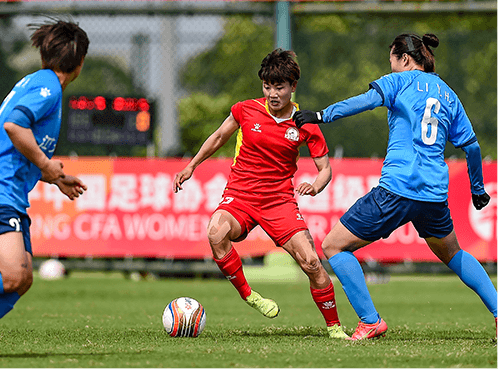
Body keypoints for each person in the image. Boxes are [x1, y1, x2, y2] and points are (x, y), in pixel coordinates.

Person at [294, 33, 498, 341]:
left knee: (333, 246)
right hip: (433, 195)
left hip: (398, 189)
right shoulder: (447, 93)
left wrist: (321, 115)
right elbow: (471, 146)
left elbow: (363, 102)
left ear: (404, 58)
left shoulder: (398, 81)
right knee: (454, 253)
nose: (389, 64)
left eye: (391, 57)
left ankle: (370, 321)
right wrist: (478, 188)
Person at [173, 48, 349, 339]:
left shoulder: (305, 123)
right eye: (267, 87)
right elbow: (219, 136)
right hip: (240, 195)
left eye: (279, 87)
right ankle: (249, 295)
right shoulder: (246, 109)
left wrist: (316, 186)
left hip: (279, 202)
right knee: (215, 233)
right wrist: (191, 166)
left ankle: (334, 328)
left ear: (293, 86)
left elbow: (325, 169)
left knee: (311, 262)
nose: (272, 94)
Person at [0, 18, 90, 357]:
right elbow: (15, 126)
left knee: (21, 280)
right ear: (80, 62)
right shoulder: (48, 86)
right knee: (12, 275)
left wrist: (54, 177)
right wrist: (46, 163)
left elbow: (14, 150)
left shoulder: (37, 82)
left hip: (4, 192)